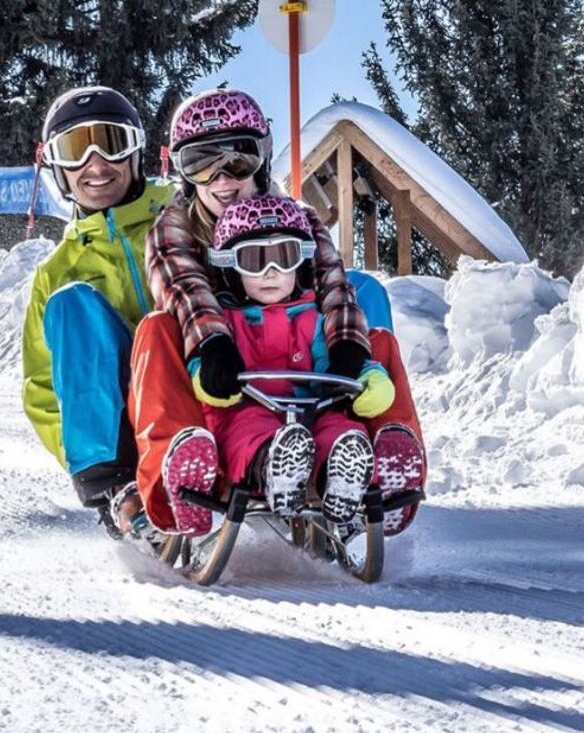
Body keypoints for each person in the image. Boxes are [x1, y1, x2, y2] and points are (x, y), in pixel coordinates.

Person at [131, 87, 426, 536]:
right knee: (155, 330)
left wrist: (347, 346)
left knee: (375, 335)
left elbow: (332, 283)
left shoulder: (299, 219)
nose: (222, 180)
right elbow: (185, 289)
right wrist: (213, 343)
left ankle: (386, 473)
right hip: (221, 374)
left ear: (263, 159)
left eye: (238, 161)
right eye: (201, 165)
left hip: (299, 363)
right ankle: (181, 471)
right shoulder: (175, 226)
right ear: (184, 173)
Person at [21, 86, 174, 538]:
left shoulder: (180, 216)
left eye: (109, 141)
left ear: (135, 150)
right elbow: (45, 389)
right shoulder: (58, 272)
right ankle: (115, 484)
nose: (94, 163)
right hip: (125, 424)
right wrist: (80, 451)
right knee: (72, 304)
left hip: (202, 387)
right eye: (74, 149)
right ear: (57, 167)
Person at [190, 195, 395, 524]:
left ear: (300, 264)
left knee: (339, 427)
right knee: (247, 433)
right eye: (255, 260)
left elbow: (332, 362)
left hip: (312, 409)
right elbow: (201, 364)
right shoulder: (226, 321)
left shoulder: (312, 319)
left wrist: (365, 376)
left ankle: (341, 475)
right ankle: (273, 468)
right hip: (249, 408)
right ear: (230, 267)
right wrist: (208, 375)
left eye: (283, 257)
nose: (270, 272)